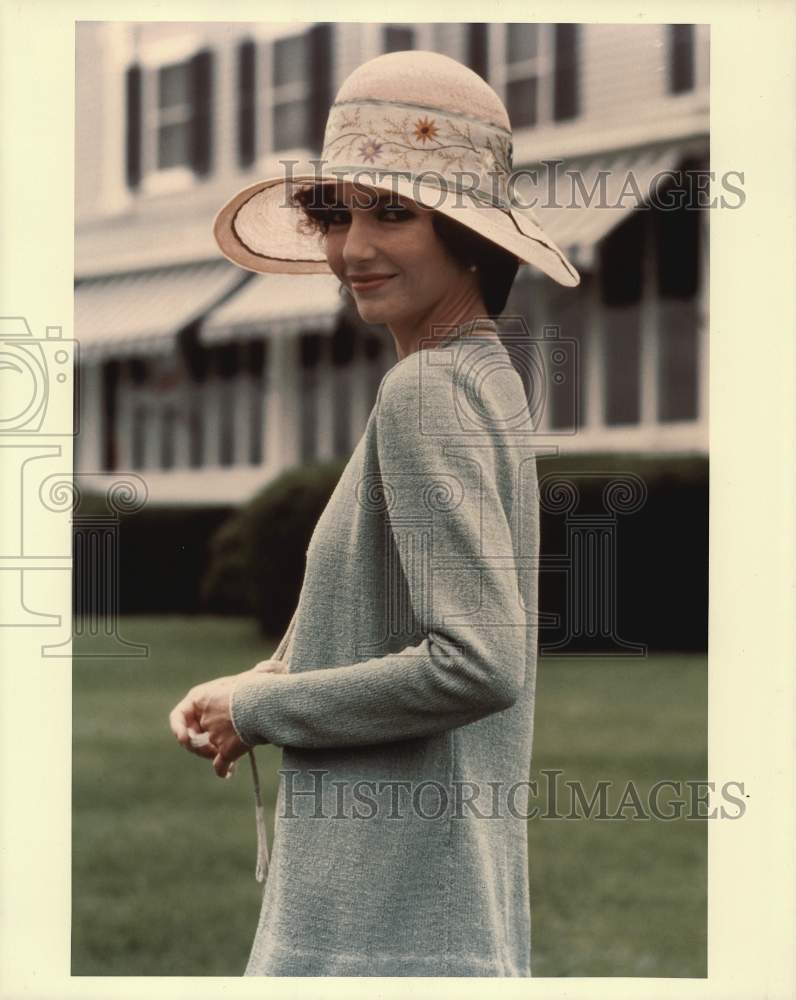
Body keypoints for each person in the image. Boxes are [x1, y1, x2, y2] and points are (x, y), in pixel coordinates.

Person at [169, 49, 579, 977]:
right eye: (336, 213)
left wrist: (265, 704)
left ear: (467, 232)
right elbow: (400, 621)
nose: (352, 249)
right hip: (433, 910)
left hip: (382, 925)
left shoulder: (425, 394)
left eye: (393, 212)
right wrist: (259, 686)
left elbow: (477, 661)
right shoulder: (481, 378)